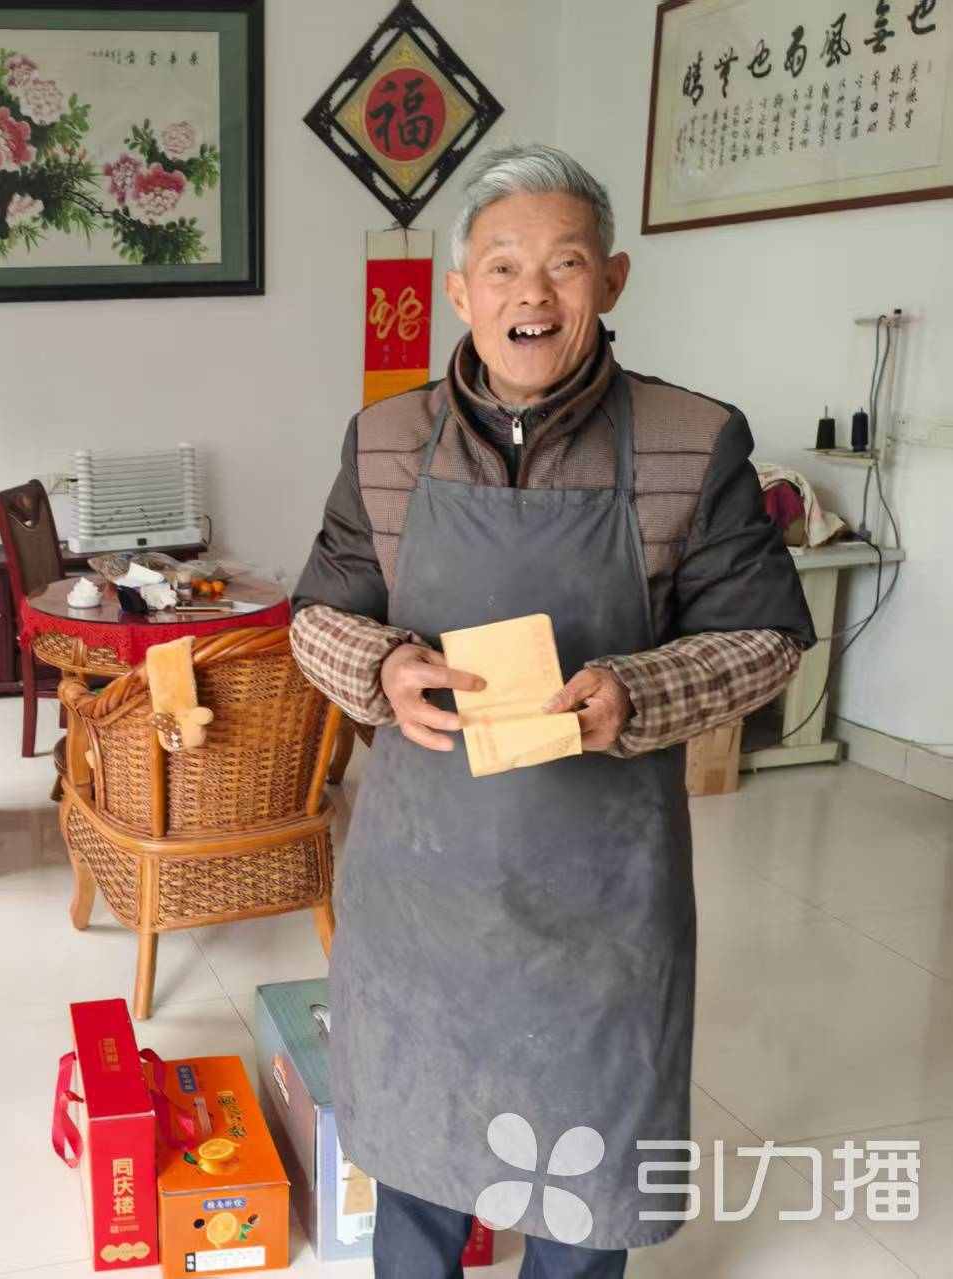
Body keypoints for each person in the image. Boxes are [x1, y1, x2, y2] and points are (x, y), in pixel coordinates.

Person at [291, 144, 815, 1277]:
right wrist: (380, 666)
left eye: (564, 264)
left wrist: (639, 690)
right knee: (419, 1159)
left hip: (599, 903)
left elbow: (766, 637)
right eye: (502, 266)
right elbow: (316, 617)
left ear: (610, 279)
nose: (531, 293)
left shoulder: (691, 439)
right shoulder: (385, 442)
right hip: (421, 891)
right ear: (458, 289)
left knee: (585, 1179)